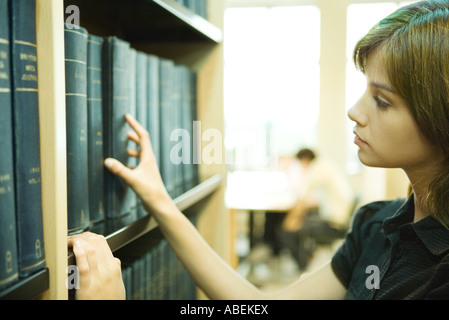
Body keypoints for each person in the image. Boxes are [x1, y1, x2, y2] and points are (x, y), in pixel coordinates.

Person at [68, 0, 449, 299]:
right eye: (365, 89)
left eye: (382, 101)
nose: (354, 111)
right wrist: (159, 199)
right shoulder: (374, 225)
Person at [279, 148, 354, 270]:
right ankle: (309, 256)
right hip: (337, 217)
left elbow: (302, 196)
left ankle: (304, 265)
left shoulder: (317, 168)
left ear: (305, 160)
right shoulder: (324, 165)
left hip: (334, 223)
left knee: (288, 233)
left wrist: (290, 222)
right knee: (300, 222)